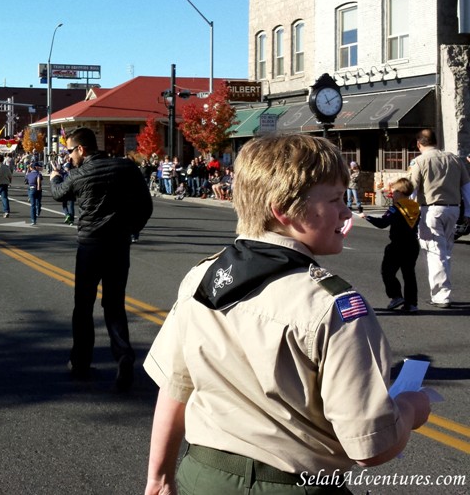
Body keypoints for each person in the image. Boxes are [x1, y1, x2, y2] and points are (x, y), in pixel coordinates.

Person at [144, 134, 431, 495]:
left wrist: (160, 476)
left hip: (201, 476)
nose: (346, 212)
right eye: (336, 199)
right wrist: (411, 408)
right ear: (283, 209)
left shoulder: (201, 277)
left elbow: (176, 387)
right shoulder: (334, 305)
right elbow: (372, 446)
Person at [50, 127, 152, 391]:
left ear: (81, 149)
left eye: (70, 150)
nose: (69, 156)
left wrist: (53, 177)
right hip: (119, 245)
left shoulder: (80, 173)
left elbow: (59, 194)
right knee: (114, 304)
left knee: (83, 306)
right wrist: (132, 229)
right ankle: (124, 355)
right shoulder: (126, 168)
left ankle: (81, 361)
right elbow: (146, 205)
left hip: (90, 245)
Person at [408, 128, 470, 308]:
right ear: (437, 142)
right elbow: (467, 188)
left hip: (431, 210)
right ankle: (443, 290)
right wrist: (467, 213)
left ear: (419, 144)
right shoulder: (454, 159)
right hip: (453, 209)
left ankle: (441, 295)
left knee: (435, 252)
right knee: (445, 251)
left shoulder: (419, 161)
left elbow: (412, 189)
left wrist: (409, 213)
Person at [360, 177, 420, 314]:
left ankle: (396, 296)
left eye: (393, 193)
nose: (391, 195)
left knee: (387, 271)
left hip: (398, 245)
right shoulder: (415, 207)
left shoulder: (396, 208)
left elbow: (383, 223)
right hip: (412, 245)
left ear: (400, 192)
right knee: (409, 274)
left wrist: (367, 217)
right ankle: (412, 304)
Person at [24, 161, 43, 226]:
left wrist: (27, 170)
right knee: (38, 201)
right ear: (36, 167)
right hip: (38, 189)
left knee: (32, 205)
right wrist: (38, 187)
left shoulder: (29, 174)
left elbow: (26, 181)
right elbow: (39, 180)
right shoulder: (38, 174)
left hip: (31, 189)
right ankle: (38, 210)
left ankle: (33, 220)